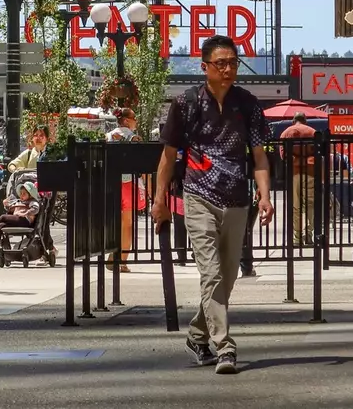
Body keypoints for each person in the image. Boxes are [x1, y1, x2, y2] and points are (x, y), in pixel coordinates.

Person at [153, 35, 273, 375]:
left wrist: (264, 196)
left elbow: (260, 156)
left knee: (229, 277)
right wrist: (159, 201)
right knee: (212, 274)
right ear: (204, 66)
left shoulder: (248, 104)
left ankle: (197, 334)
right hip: (198, 196)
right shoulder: (186, 103)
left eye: (233, 62)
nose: (228, 69)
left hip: (238, 200)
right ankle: (225, 348)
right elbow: (167, 156)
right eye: (221, 63)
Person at [106, 109, 142, 273]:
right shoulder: (134, 138)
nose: (136, 122)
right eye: (134, 118)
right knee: (127, 224)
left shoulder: (107, 137)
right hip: (128, 182)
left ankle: (112, 254)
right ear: (126, 121)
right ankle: (122, 261)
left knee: (113, 222)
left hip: (110, 183)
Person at [279, 112, 318, 246]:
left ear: (293, 120)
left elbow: (283, 155)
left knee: (295, 206)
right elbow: (319, 153)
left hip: (293, 172)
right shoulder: (312, 132)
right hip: (310, 172)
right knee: (310, 205)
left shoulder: (286, 132)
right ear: (305, 121)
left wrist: (295, 160)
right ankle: (309, 235)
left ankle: (296, 238)